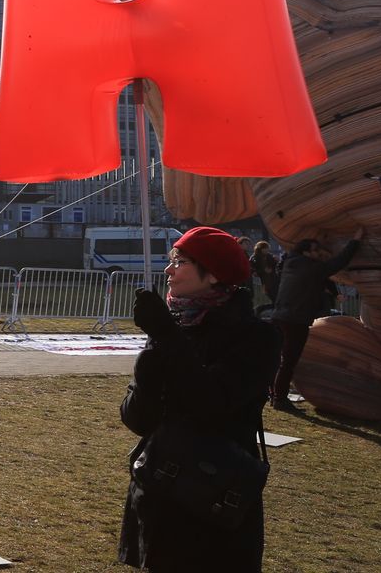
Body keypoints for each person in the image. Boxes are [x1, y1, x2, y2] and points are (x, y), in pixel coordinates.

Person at [119, 226, 279, 570]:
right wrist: (145, 376)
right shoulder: (173, 325)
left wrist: (167, 337)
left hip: (212, 493)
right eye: (170, 259)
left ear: (214, 274)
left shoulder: (257, 337)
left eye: (181, 261)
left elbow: (213, 407)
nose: (168, 270)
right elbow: (138, 421)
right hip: (159, 490)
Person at [269, 228, 364, 410]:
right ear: (306, 252)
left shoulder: (291, 262)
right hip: (295, 320)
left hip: (280, 316)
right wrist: (355, 241)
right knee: (289, 361)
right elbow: (338, 262)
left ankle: (273, 393)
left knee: (279, 359)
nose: (320, 255)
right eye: (316, 251)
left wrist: (318, 240)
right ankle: (280, 399)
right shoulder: (310, 267)